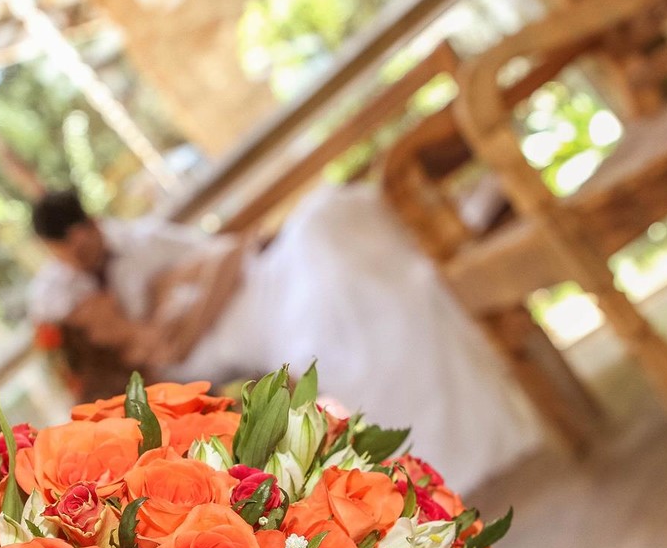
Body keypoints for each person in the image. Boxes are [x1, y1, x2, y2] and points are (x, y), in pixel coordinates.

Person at [27, 185, 540, 492]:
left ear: (95, 224)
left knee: (325, 228)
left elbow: (226, 253)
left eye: (88, 241)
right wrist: (188, 319)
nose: (93, 298)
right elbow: (182, 331)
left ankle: (451, 236)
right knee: (333, 318)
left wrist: (194, 304)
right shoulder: (140, 345)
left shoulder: (148, 257)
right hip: (258, 325)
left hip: (255, 286)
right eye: (86, 313)